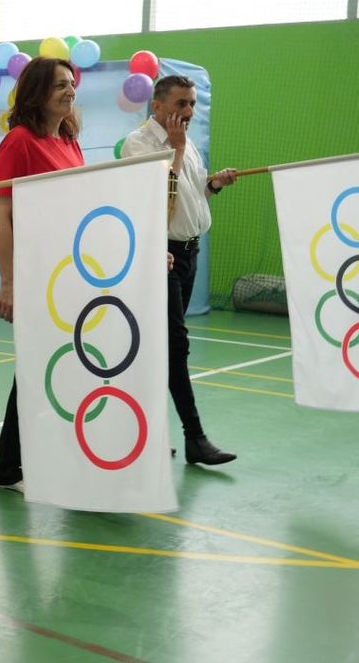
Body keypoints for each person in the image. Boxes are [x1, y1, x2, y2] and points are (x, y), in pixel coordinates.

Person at [121, 74, 237, 466]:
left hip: (189, 254)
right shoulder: (140, 144)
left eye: (191, 104)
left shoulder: (187, 146)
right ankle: (195, 437)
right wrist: (176, 149)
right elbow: (150, 203)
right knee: (175, 344)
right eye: (180, 104)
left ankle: (146, 431)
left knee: (158, 348)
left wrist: (212, 186)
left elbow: (187, 195)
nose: (188, 111)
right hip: (160, 255)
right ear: (157, 106)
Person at [0, 57, 86, 494]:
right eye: (59, 86)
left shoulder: (69, 140)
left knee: (67, 365)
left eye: (71, 84)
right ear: (36, 93)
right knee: (35, 367)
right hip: (37, 271)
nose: (69, 92)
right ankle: (10, 469)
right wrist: (8, 281)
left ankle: (56, 453)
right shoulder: (19, 141)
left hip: (72, 270)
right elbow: (2, 212)